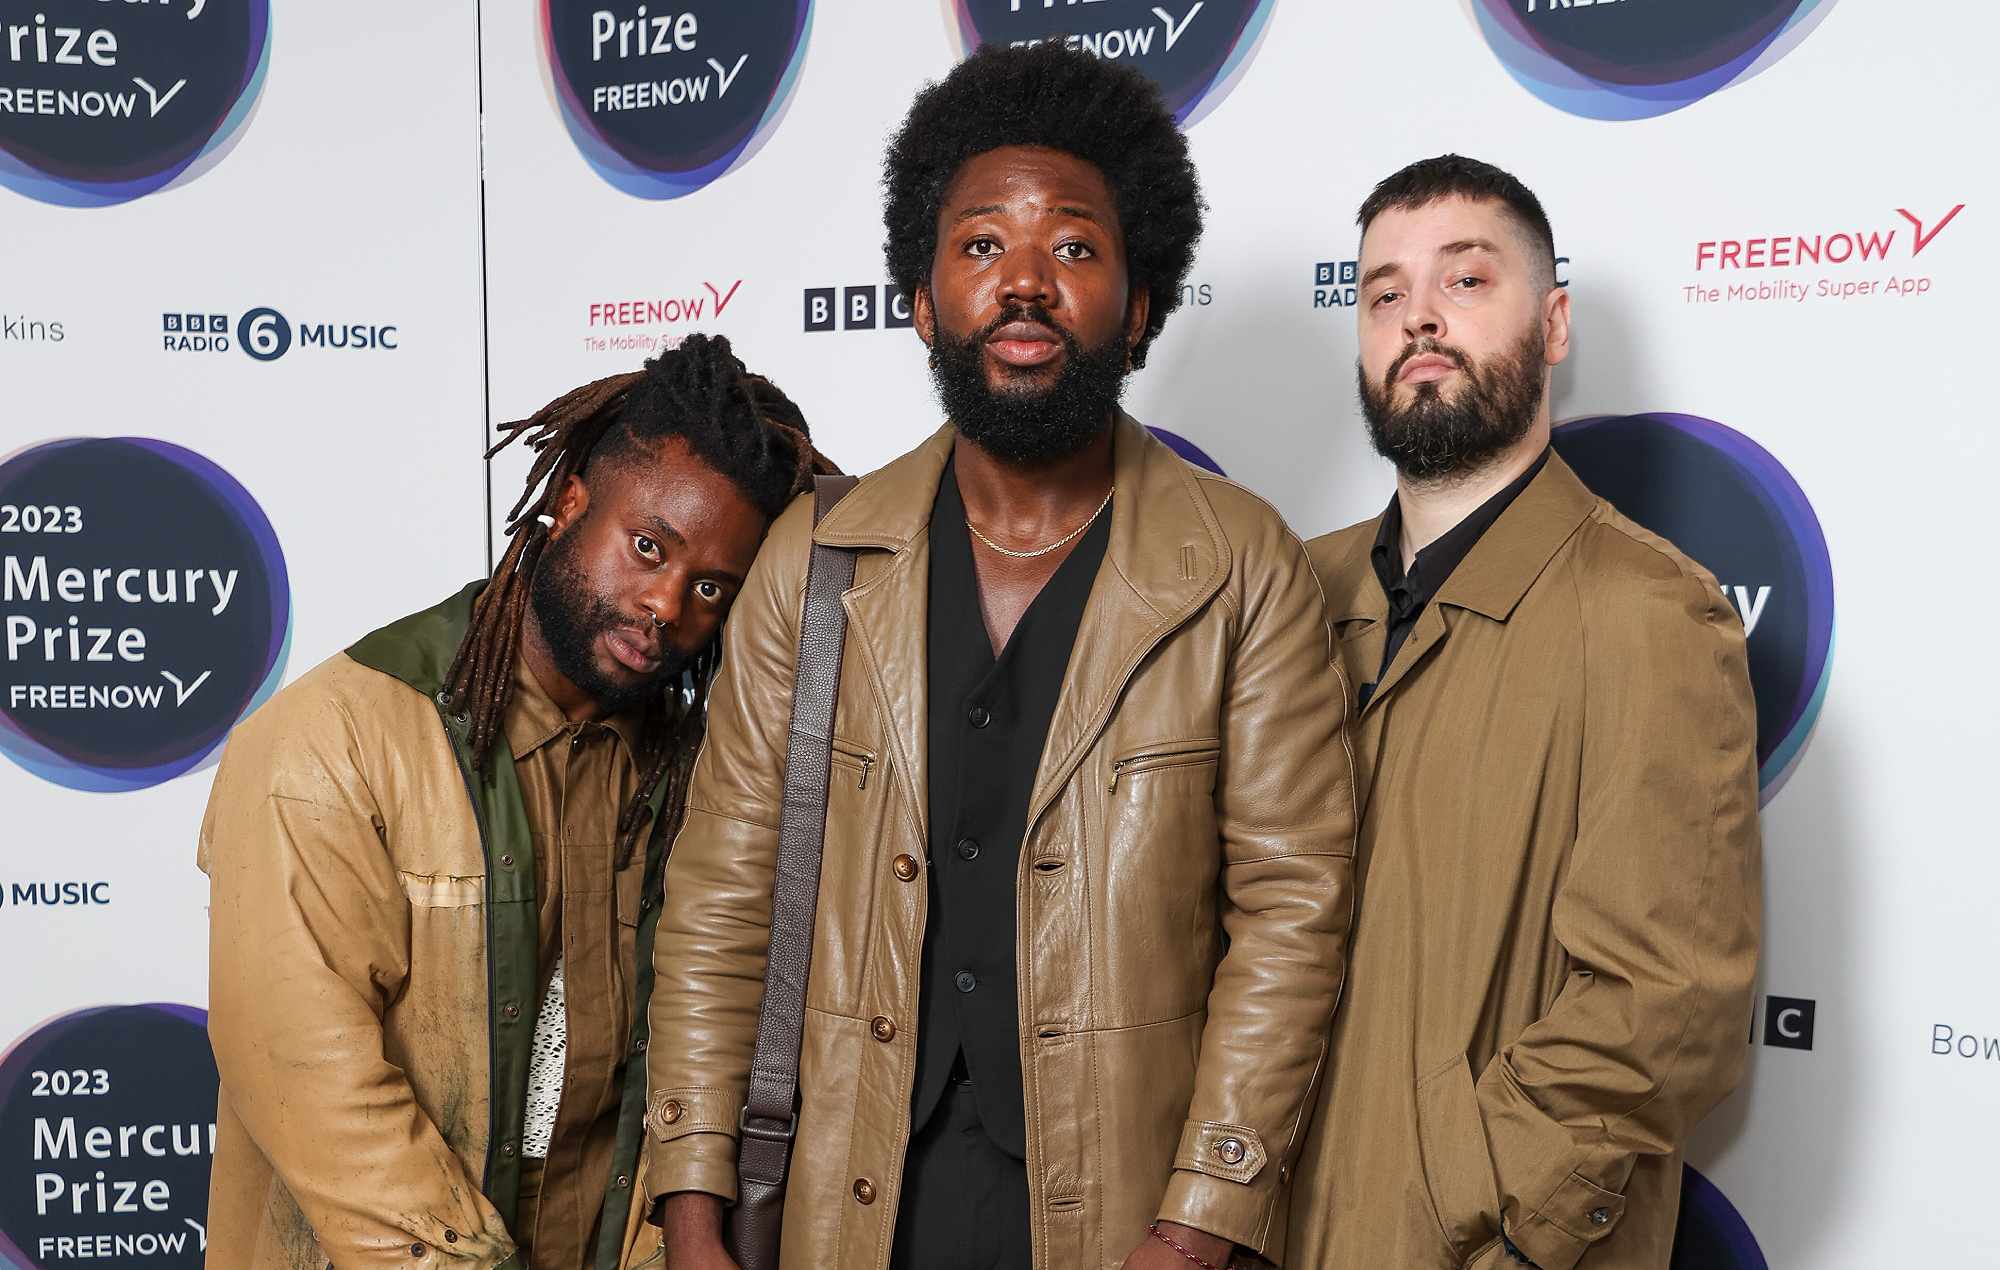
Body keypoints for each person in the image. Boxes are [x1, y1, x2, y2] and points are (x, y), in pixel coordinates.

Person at [643, 42, 1357, 1270]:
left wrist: (1197, 1225)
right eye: (979, 246)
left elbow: (1291, 917)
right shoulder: (818, 562)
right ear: (919, 301)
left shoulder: (1242, 567)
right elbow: (721, 897)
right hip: (841, 1203)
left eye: (1073, 248)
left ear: (1137, 305)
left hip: (1120, 1211)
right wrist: (693, 1197)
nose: (1023, 283)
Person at [199, 335, 833, 1270]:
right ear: (571, 497)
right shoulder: (331, 742)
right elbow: (315, 1082)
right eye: (648, 545)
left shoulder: (695, 774)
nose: (667, 606)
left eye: (710, 588)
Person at [1288, 155, 1762, 1270]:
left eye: (1464, 281)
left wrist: (1478, 1215)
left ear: (1551, 325)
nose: (1418, 320)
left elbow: (1663, 1009)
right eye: (1383, 293)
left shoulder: (1649, 611)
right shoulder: (1286, 594)